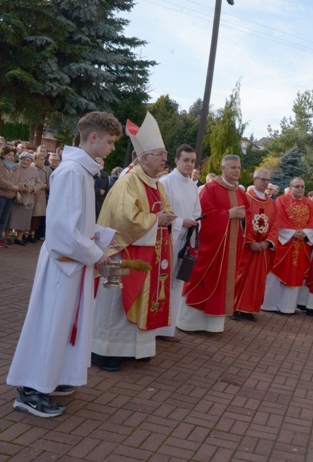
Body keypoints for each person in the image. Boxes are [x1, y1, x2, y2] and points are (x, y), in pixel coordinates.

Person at [6, 111, 120, 418]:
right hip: (62, 266)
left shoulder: (82, 171)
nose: (111, 149)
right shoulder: (71, 171)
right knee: (50, 325)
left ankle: (51, 377)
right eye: (109, 142)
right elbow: (61, 231)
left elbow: (77, 224)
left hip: (72, 265)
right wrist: (97, 254)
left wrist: (103, 238)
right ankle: (30, 390)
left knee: (63, 326)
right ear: (93, 137)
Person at [92, 112, 176, 371]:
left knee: (145, 300)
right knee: (117, 304)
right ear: (144, 157)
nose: (164, 158)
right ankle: (104, 351)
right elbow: (123, 217)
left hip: (150, 252)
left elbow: (165, 209)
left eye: (164, 154)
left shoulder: (156, 184)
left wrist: (166, 218)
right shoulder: (129, 181)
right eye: (160, 154)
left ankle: (136, 349)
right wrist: (156, 219)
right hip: (125, 252)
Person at [179, 155, 249, 333]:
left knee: (224, 282)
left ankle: (213, 325)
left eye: (238, 168)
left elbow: (246, 215)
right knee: (202, 279)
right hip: (212, 248)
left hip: (229, 249)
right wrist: (227, 214)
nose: (236, 171)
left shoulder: (241, 193)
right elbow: (202, 215)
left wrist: (242, 218)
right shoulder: (210, 188)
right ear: (223, 169)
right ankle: (190, 323)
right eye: (232, 167)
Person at [156, 144, 201, 340]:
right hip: (168, 239)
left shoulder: (193, 186)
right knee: (162, 281)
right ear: (176, 160)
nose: (190, 165)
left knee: (177, 285)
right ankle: (156, 327)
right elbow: (162, 212)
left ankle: (168, 328)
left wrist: (192, 224)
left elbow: (197, 213)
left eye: (192, 161)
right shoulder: (166, 182)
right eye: (186, 160)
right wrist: (182, 222)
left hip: (184, 241)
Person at [261, 177, 313, 314]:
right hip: (284, 244)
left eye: (302, 187)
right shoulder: (281, 200)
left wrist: (305, 233)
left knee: (295, 274)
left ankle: (287, 307)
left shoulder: (309, 203)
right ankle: (269, 304)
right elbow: (278, 219)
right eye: (297, 186)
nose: (300, 189)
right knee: (276, 273)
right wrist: (292, 233)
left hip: (300, 245)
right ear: (290, 187)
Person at [232, 168, 278, 321]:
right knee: (240, 276)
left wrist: (266, 242)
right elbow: (243, 222)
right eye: (262, 179)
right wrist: (251, 241)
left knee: (256, 280)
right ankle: (234, 307)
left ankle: (249, 309)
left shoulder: (272, 204)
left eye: (267, 180)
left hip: (262, 249)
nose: (265, 182)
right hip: (247, 247)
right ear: (254, 179)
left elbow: (275, 225)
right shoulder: (245, 198)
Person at [0, 146, 21, 248]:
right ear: (2, 155)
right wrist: (11, 186)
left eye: (12, 155)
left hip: (11, 196)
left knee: (4, 218)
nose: (11, 157)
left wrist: (18, 186)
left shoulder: (15, 167)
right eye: (9, 155)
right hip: (0, 194)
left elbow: (21, 180)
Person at [7, 152, 40, 245]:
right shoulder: (14, 167)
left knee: (25, 219)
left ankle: (19, 237)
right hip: (14, 195)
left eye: (28, 160)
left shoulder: (34, 170)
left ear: (31, 162)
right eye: (24, 159)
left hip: (28, 198)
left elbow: (39, 183)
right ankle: (7, 236)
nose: (25, 162)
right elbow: (9, 179)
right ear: (20, 159)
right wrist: (20, 187)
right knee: (11, 217)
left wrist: (33, 188)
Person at [29, 151, 50, 242]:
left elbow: (50, 181)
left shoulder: (47, 169)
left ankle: (33, 233)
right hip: (31, 194)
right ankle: (25, 233)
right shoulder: (31, 168)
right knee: (29, 215)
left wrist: (47, 185)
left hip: (41, 196)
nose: (42, 161)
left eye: (43, 159)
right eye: (40, 159)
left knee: (38, 215)